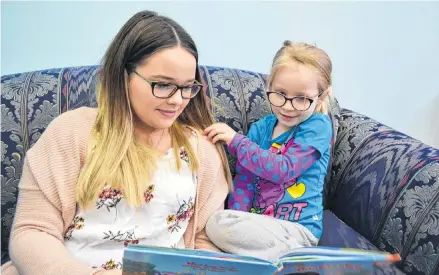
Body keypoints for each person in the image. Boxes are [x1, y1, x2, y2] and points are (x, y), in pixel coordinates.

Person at [1, 10, 232, 275]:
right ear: (124, 76)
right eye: (163, 85)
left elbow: (203, 240)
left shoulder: (201, 150)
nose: (178, 100)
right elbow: (32, 232)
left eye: (187, 87)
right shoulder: (73, 132)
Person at [204, 41, 333, 262]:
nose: (288, 106)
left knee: (218, 226)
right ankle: (272, 259)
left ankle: (298, 255)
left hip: (298, 230)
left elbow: (284, 169)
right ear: (269, 85)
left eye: (301, 98)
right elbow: (244, 181)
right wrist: (237, 216)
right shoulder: (261, 129)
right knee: (218, 223)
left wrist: (237, 142)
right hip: (261, 227)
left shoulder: (317, 127)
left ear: (321, 97)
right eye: (280, 93)